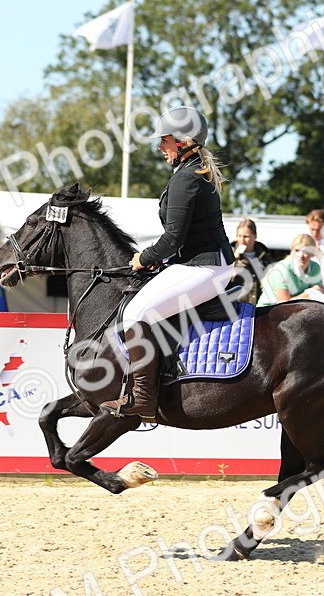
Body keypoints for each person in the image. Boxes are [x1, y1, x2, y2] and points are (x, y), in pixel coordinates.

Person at [100, 106, 236, 419]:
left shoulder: (187, 180)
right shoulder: (190, 172)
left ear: (183, 141)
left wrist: (142, 259)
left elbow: (173, 238)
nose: (160, 147)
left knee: (136, 312)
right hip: (200, 262)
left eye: (165, 141)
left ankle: (143, 398)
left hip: (205, 267)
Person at [257, 233, 324, 306]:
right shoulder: (282, 269)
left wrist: (313, 293)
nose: (301, 255)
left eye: (306, 251)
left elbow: (320, 291)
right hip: (267, 311)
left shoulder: (315, 267)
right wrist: (309, 294)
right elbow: (283, 304)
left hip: (297, 309)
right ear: (292, 251)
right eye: (297, 250)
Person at [229, 218, 274, 305]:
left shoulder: (265, 256)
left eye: (246, 236)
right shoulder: (229, 254)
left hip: (259, 306)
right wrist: (232, 263)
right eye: (239, 236)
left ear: (255, 236)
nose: (242, 240)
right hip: (237, 306)